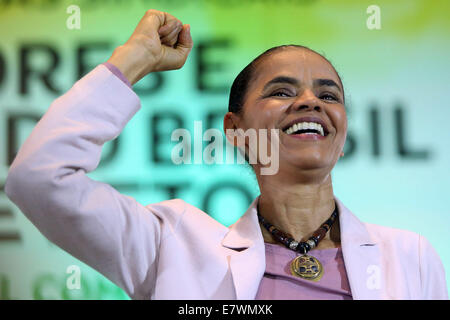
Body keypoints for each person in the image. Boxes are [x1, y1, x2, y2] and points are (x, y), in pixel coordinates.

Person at [5, 9, 447, 300]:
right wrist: (134, 58)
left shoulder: (409, 255)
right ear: (236, 132)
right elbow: (39, 179)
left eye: (328, 94)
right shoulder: (171, 246)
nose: (312, 102)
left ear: (342, 133)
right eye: (281, 91)